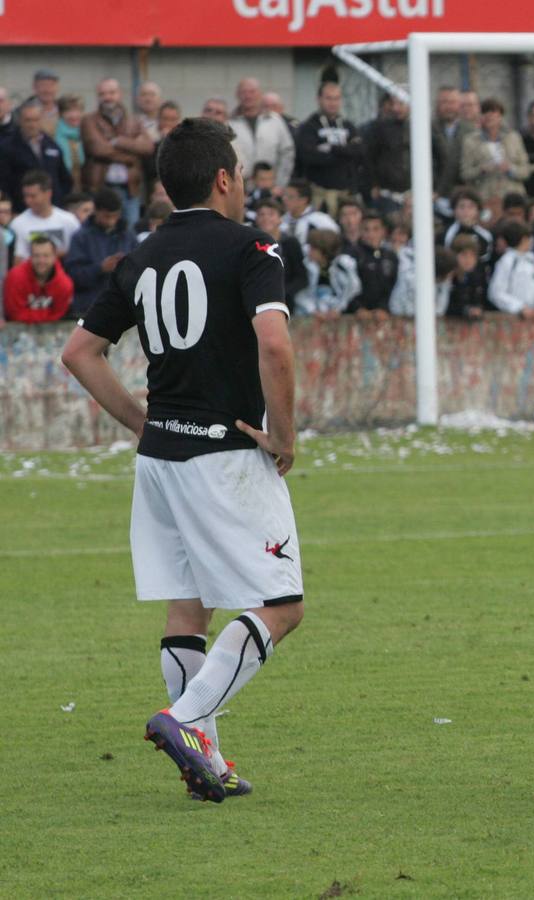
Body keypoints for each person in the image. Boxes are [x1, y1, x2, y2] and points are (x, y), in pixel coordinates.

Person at [60, 116, 304, 802]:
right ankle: (184, 718)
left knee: (188, 605)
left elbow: (79, 353)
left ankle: (207, 765)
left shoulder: (141, 255)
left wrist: (142, 420)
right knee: (282, 605)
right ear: (225, 178)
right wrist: (283, 436)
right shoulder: (253, 247)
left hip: (161, 457)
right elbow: (276, 347)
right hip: (223, 454)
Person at [81, 78, 154, 229]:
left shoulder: (134, 121)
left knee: (130, 232)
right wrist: (131, 155)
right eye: (103, 94)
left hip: (130, 189)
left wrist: (118, 141)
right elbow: (98, 149)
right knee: (103, 230)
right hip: (102, 187)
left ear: (120, 94)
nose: (107, 97)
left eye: (112, 93)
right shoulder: (89, 120)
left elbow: (148, 147)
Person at [295, 81, 364, 215]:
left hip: (346, 193)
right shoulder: (309, 126)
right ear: (319, 99)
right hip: (319, 194)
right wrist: (345, 153)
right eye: (329, 98)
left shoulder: (348, 125)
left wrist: (331, 148)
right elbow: (309, 156)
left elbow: (359, 151)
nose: (333, 103)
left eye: (336, 98)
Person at [63, 188, 134, 316]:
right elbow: (73, 276)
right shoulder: (80, 238)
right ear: (96, 211)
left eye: (115, 216)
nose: (111, 220)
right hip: (88, 308)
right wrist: (100, 269)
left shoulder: (128, 237)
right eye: (107, 216)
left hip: (122, 308)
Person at [228, 79, 295, 186]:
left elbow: (287, 153)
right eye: (244, 92)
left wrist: (280, 184)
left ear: (260, 94)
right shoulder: (229, 123)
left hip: (271, 186)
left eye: (252, 91)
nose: (248, 96)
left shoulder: (275, 120)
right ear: (237, 95)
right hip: (241, 187)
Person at [461, 98, 529, 203]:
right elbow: (465, 174)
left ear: (500, 117)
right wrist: (482, 169)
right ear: (480, 116)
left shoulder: (513, 137)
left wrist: (510, 169)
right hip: (484, 198)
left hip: (512, 197)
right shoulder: (470, 141)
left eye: (493, 112)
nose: (489, 115)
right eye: (485, 112)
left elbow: (526, 171)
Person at [2, 102, 73, 202]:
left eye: (36, 120)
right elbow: (4, 182)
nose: (32, 125)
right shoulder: (7, 147)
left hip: (52, 207)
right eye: (28, 120)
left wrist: (59, 198)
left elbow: (65, 179)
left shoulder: (52, 145)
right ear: (20, 121)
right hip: (22, 209)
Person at [11, 169, 81, 260]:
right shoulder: (18, 224)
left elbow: (78, 253)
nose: (28, 201)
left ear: (48, 194)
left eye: (33, 196)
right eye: (25, 196)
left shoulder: (69, 221)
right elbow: (18, 260)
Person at [488, 219, 534, 319]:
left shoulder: (532, 259)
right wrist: (519, 307)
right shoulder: (506, 262)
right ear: (523, 239)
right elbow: (496, 293)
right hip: (513, 318)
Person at [3, 234, 73, 322]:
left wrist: (32, 315)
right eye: (37, 255)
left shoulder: (64, 284)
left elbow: (59, 313)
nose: (41, 261)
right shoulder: (15, 277)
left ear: (55, 257)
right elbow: (14, 314)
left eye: (46, 256)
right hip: (16, 329)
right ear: (30, 256)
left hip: (51, 329)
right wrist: (47, 314)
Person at [295, 228, 360, 318]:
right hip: (308, 316)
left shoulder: (342, 266)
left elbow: (352, 289)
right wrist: (313, 311)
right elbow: (299, 295)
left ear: (324, 251)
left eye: (313, 248)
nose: (309, 251)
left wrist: (338, 309)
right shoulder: (306, 267)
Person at [363, 91, 411, 212]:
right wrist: (373, 184)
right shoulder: (378, 129)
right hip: (387, 193)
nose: (396, 108)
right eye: (393, 104)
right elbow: (369, 157)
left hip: (413, 193)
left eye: (401, 103)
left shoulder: (420, 127)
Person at [251, 197, 306, 300]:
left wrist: (283, 293)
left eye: (271, 214)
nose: (266, 218)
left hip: (285, 299)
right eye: (261, 214)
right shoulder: (251, 245)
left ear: (280, 219)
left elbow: (301, 277)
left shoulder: (290, 243)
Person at [432, 85, 475, 197]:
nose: (449, 107)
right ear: (437, 105)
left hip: (465, 194)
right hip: (434, 193)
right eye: (444, 102)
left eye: (452, 102)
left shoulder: (471, 131)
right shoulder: (427, 130)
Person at [281, 180, 338, 250]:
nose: (284, 199)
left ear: (303, 200)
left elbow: (334, 242)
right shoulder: (280, 220)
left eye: (290, 197)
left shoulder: (322, 221)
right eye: (284, 195)